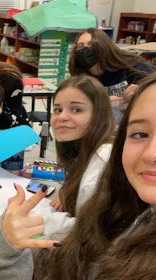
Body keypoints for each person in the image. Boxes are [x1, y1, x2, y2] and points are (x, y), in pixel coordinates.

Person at [0, 67, 156, 279]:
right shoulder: (147, 219)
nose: (153, 153)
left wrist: (6, 246)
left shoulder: (102, 161)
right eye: (140, 134)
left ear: (99, 115)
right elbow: (91, 232)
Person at [38, 75, 115, 235]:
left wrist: (33, 217)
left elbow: (85, 233)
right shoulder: (82, 147)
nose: (62, 117)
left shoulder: (103, 159)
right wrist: (68, 193)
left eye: (76, 110)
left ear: (98, 115)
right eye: (58, 109)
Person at [68, 28, 154, 122]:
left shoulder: (132, 66)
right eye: (80, 46)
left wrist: (138, 93)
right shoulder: (81, 74)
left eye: (91, 45)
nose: (85, 50)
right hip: (102, 123)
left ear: (104, 47)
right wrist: (102, 102)